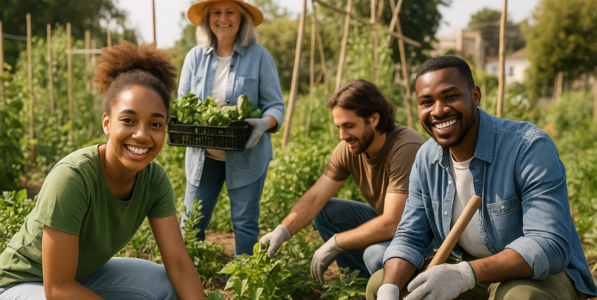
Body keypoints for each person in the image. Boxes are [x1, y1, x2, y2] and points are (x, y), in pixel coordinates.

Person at [367, 56, 597, 300]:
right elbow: (410, 236)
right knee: (380, 283)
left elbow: (549, 245)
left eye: (450, 96)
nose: (438, 110)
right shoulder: (427, 157)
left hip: (538, 275)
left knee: (520, 297)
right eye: (426, 102)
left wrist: (466, 273)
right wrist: (389, 288)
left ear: (475, 96)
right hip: (466, 267)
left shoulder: (527, 147)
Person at [0, 41, 206, 299]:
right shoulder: (73, 178)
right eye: (128, 120)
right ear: (107, 123)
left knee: (167, 286)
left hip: (83, 276)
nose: (142, 135)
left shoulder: (154, 180)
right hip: (22, 284)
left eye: (155, 123)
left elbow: (177, 262)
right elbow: (58, 289)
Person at [260, 79, 426, 282]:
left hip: (424, 236)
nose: (343, 135)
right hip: (394, 223)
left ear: (374, 119)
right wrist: (283, 230)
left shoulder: (405, 147)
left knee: (375, 256)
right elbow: (315, 198)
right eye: (339, 126)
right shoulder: (350, 147)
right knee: (325, 211)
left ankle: (398, 288)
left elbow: (393, 223)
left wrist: (337, 242)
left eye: (349, 126)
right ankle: (359, 283)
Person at [179, 0, 285, 257]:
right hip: (203, 155)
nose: (222, 18)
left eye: (230, 12)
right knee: (190, 224)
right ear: (208, 18)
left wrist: (263, 124)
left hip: (247, 154)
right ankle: (184, 281)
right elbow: (183, 105)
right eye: (216, 12)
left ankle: (245, 285)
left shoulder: (259, 55)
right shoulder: (195, 57)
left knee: (245, 224)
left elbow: (276, 107)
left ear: (242, 19)